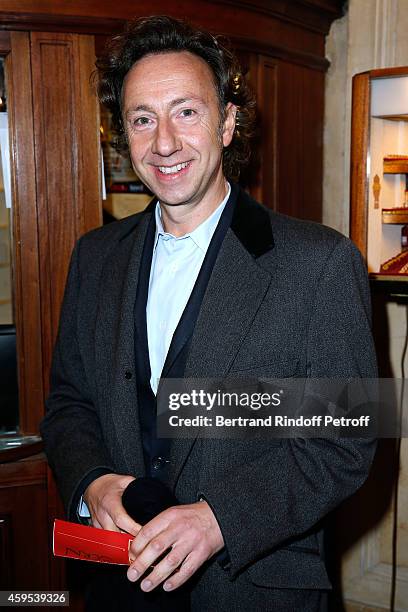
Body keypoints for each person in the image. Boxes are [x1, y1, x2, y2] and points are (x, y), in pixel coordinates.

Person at [40, 15, 377, 612]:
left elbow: (346, 437)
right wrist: (90, 481)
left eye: (186, 112)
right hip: (117, 586)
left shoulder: (318, 263)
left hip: (250, 589)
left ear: (227, 122)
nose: (163, 142)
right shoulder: (95, 257)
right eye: (143, 119)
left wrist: (221, 519)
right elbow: (70, 403)